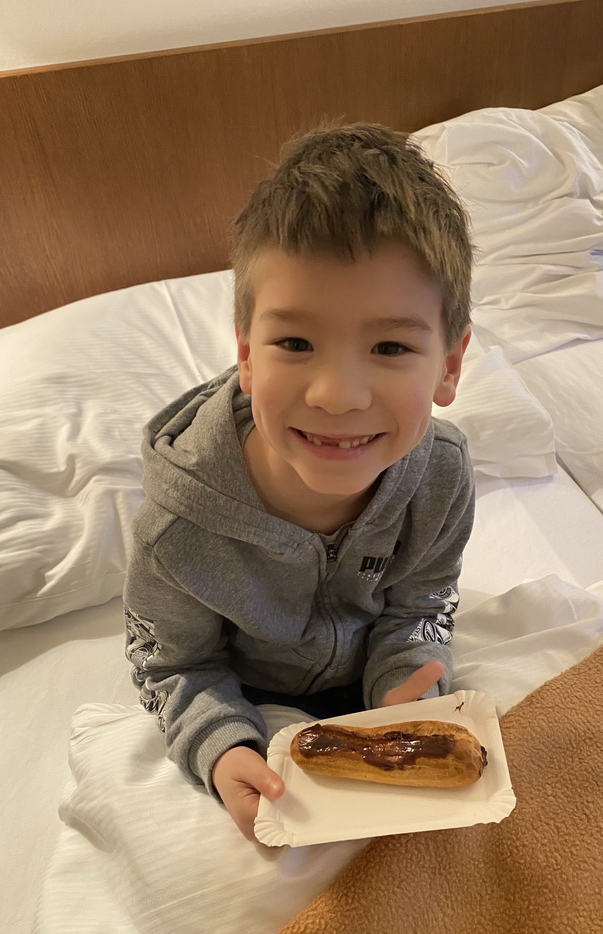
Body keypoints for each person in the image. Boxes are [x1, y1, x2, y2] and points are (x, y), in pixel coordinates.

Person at [123, 122, 475, 841]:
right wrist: (221, 747)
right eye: (295, 343)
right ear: (247, 355)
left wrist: (410, 678)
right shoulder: (179, 531)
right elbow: (173, 665)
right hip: (250, 703)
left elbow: (421, 603)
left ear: (449, 365)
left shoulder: (441, 478)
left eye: (389, 346)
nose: (336, 394)